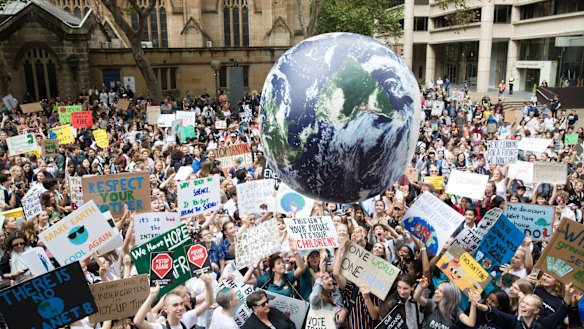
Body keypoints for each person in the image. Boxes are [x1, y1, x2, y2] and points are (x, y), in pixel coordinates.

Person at [133, 274, 214, 329]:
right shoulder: (161, 327)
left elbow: (208, 302)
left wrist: (208, 283)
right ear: (165, 309)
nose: (180, 308)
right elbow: (137, 322)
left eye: (181, 304)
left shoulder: (186, 319)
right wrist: (151, 296)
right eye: (175, 305)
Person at [414, 276, 478, 329]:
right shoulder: (432, 303)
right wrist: (421, 288)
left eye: (441, 291)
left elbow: (471, 323)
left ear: (448, 295)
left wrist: (473, 304)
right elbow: (417, 298)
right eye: (437, 289)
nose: (436, 292)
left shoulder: (455, 310)